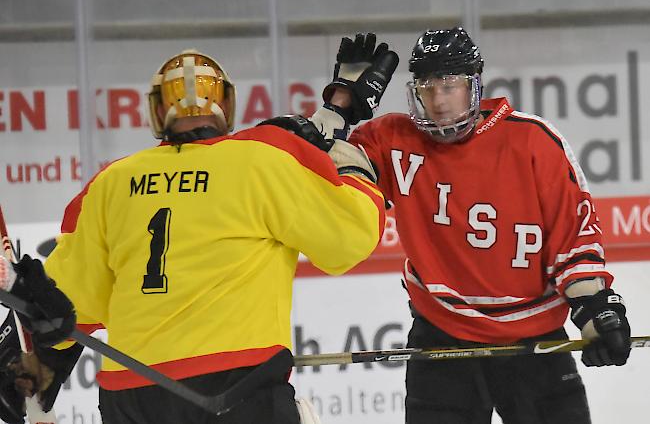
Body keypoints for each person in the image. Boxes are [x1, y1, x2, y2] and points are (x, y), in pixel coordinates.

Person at [0, 43, 397, 424]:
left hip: (133, 392)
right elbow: (350, 238)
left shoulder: (111, 183)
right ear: (226, 105)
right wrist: (353, 166)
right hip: (237, 382)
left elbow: (72, 304)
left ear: (157, 111)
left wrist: (31, 362)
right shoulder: (262, 158)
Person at [326, 27, 632, 423]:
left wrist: (595, 311)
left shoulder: (533, 143)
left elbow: (573, 237)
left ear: (473, 84)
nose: (437, 100)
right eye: (427, 87)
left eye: (449, 85)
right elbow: (318, 175)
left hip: (533, 341)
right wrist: (340, 107)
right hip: (441, 338)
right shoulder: (391, 141)